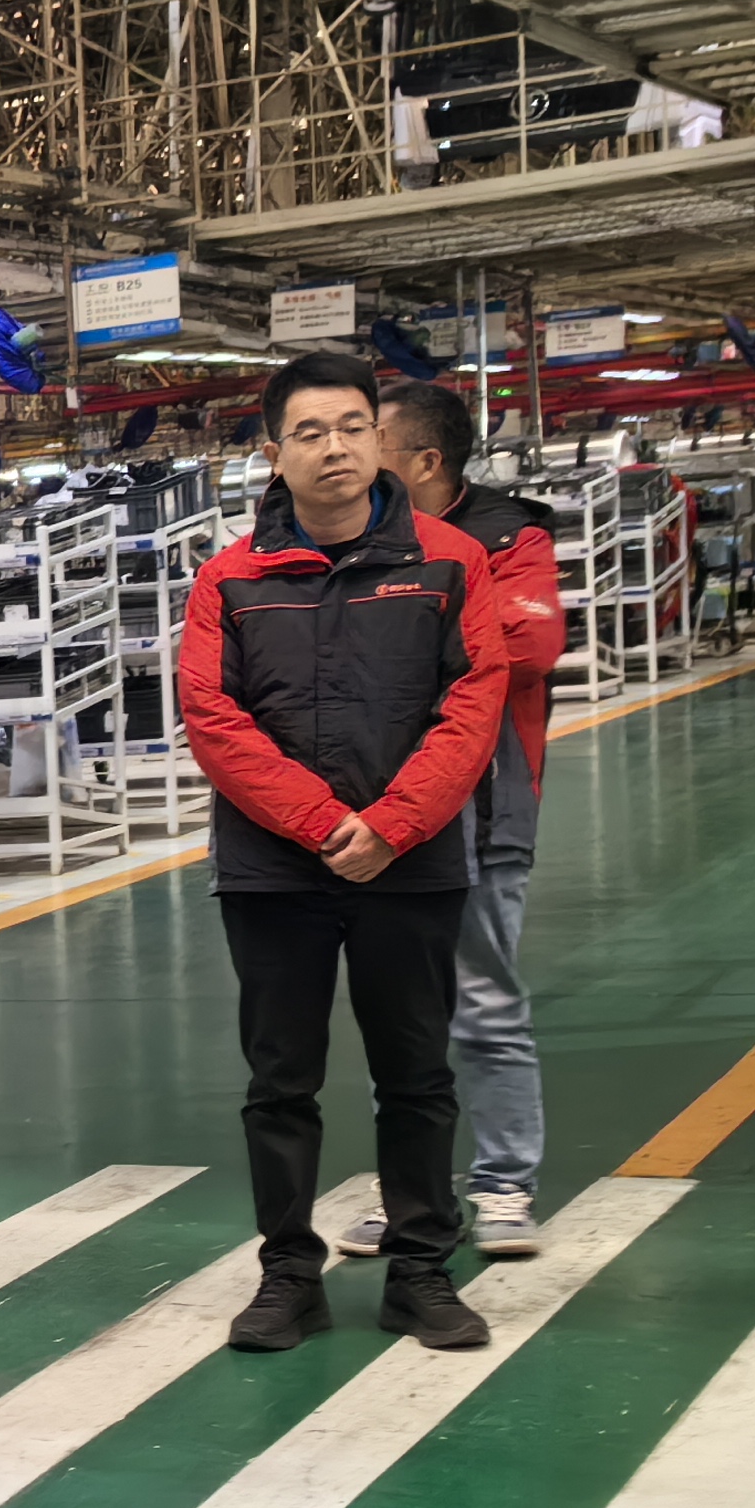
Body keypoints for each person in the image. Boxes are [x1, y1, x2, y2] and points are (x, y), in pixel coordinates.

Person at [177, 349, 510, 1355]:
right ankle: (288, 1275)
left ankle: (421, 1273)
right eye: (310, 432)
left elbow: (472, 701)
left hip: (411, 865)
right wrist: (323, 825)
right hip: (274, 870)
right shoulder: (230, 578)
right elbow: (212, 716)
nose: (335, 448)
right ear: (273, 453)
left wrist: (395, 824)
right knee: (280, 1081)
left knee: (415, 1074)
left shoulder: (451, 561)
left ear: (380, 439)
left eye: (353, 427)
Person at [344, 380, 563, 1262]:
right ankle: (408, 1186)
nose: (353, 455)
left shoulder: (511, 535)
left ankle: (505, 1183)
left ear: (426, 461)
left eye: (373, 439)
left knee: (486, 1000)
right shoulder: (356, 538)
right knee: (399, 1011)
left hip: (486, 803)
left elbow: (531, 647)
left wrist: (411, 630)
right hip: (386, 809)